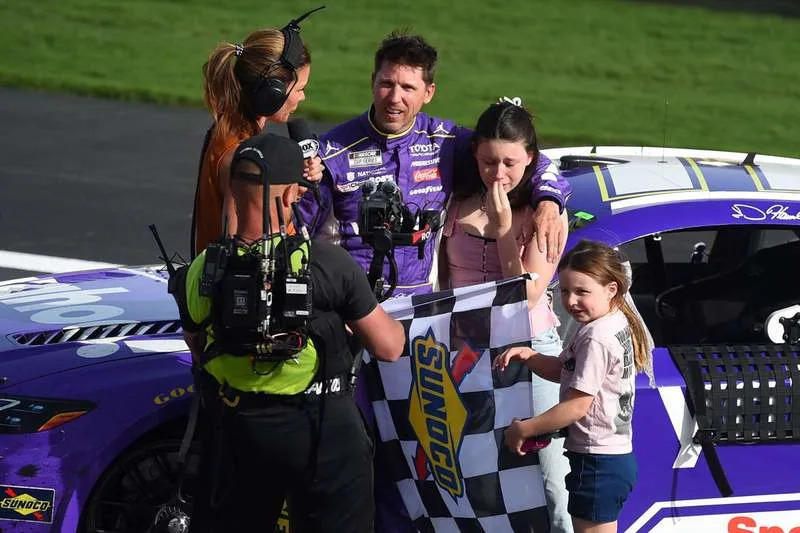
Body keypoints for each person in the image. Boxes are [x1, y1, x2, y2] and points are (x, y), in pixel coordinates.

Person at [177, 132, 405, 532]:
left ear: (233, 189)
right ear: (290, 197)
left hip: (238, 432)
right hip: (323, 434)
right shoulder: (329, 264)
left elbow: (197, 346)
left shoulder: (201, 271)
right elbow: (389, 347)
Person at [297, 31, 572, 299]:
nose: (394, 98)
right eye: (387, 84)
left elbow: (523, 157)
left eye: (408, 88)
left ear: (428, 92)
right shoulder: (331, 151)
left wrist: (548, 201)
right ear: (372, 82)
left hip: (421, 310)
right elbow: (297, 231)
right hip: (351, 307)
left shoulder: (445, 141)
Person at [438, 99, 572, 533]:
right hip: (462, 350)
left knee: (548, 481)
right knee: (469, 476)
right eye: (488, 161)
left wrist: (501, 233)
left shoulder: (545, 214)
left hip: (526, 350)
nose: (499, 174)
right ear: (475, 153)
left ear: (531, 158)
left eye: (511, 163)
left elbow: (527, 295)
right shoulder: (455, 198)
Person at [495, 240, 652, 533]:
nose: (571, 301)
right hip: (607, 460)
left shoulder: (596, 338)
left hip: (598, 464)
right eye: (565, 291)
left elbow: (577, 407)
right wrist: (531, 356)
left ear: (612, 289)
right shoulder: (610, 321)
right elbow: (567, 371)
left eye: (582, 292)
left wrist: (525, 429)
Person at [192, 20, 322, 258]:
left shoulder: (228, 132)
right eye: (300, 88)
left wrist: (291, 187)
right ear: (272, 94)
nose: (303, 97)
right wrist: (289, 196)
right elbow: (237, 248)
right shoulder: (242, 157)